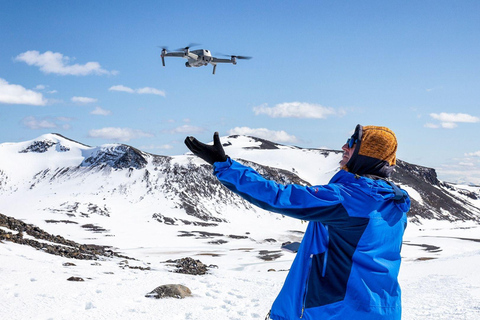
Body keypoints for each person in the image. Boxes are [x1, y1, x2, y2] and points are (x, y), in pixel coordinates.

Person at [185, 124, 410, 320]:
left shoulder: (347, 199)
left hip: (336, 312)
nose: (344, 147)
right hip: (383, 311)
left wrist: (224, 165)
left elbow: (278, 196)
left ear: (365, 155)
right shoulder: (395, 203)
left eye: (352, 143)